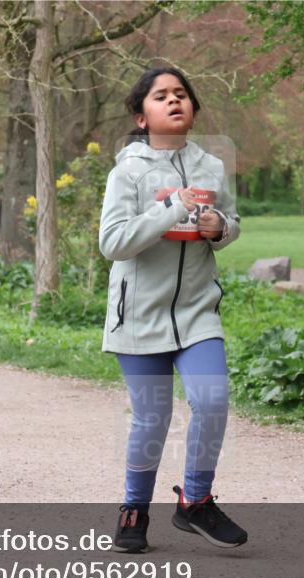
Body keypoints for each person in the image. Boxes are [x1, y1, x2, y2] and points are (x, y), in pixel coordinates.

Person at [99, 66, 246, 552]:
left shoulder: (212, 167)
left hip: (197, 312)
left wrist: (217, 226)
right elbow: (113, 242)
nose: (173, 101)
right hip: (138, 316)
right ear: (142, 116)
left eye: (181, 93)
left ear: (193, 108)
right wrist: (170, 210)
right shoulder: (128, 171)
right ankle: (134, 508)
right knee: (152, 418)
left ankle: (195, 503)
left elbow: (233, 224)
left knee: (212, 400)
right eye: (161, 96)